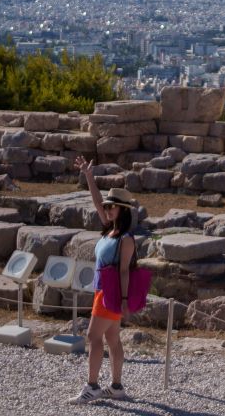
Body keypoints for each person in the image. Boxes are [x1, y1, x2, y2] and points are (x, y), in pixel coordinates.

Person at [69, 156, 137, 404]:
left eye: (112, 207)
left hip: (112, 294)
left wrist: (126, 300)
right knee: (111, 338)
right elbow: (97, 201)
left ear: (123, 210)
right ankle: (116, 387)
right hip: (103, 291)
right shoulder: (110, 230)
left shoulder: (126, 239)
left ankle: (92, 386)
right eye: (108, 207)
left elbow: (124, 271)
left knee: (92, 337)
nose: (107, 209)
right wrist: (88, 176)